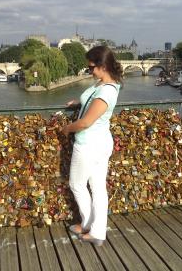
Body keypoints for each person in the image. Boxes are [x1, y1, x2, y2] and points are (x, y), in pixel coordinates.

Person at [62, 45, 123, 246]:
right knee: (97, 188)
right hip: (100, 142)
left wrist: (67, 129)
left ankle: (89, 225)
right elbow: (92, 107)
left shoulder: (106, 92)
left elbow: (86, 122)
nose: (89, 71)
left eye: (91, 67)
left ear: (102, 65)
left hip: (89, 144)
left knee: (77, 184)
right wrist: (79, 104)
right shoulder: (104, 84)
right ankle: (96, 231)